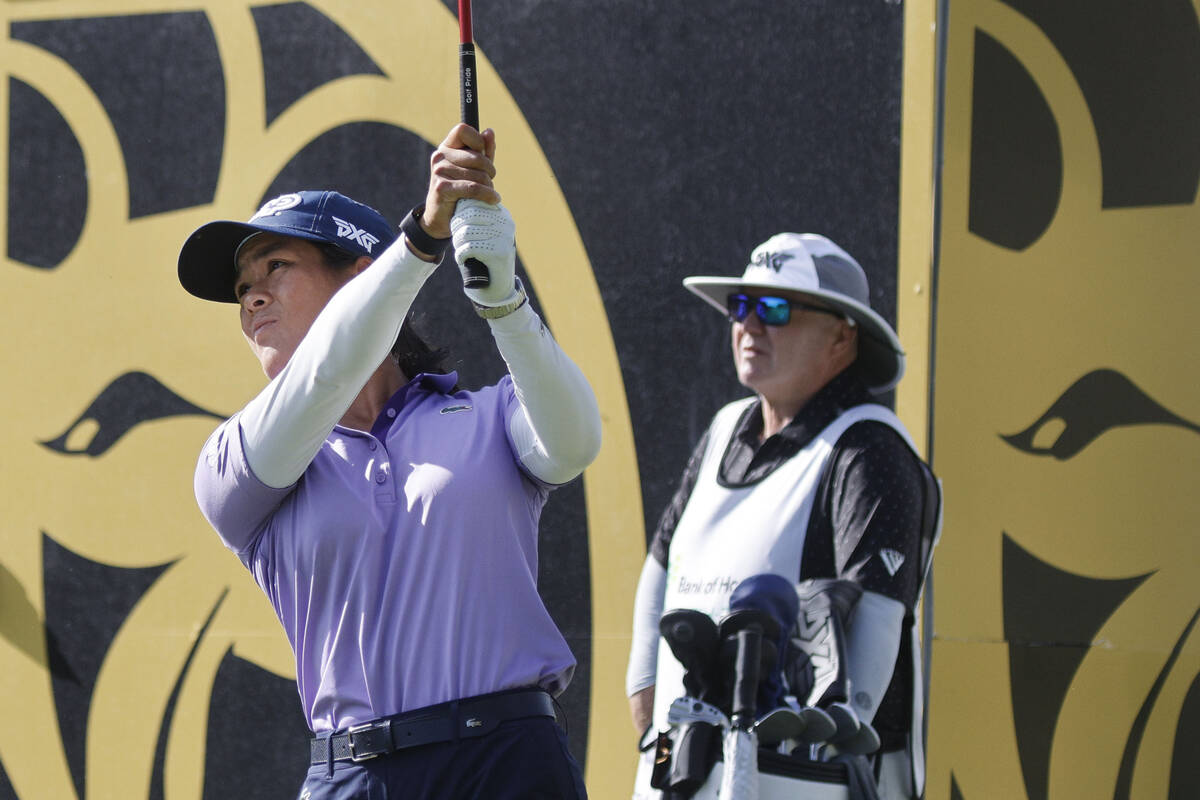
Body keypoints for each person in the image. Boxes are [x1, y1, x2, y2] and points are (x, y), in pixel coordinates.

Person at [177, 124, 599, 800]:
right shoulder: (234, 459)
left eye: (274, 269)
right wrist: (424, 237)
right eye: (242, 287)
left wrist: (503, 300)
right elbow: (325, 375)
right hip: (357, 776)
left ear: (361, 275)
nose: (250, 297)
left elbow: (575, 443)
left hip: (510, 765)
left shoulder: (487, 416)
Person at [626, 233, 941, 799]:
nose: (749, 325)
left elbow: (876, 624)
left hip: (801, 783)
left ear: (841, 336)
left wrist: (826, 752)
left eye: (775, 308)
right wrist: (646, 708)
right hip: (680, 769)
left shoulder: (869, 449)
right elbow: (661, 567)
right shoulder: (725, 428)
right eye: (741, 307)